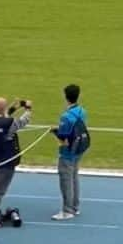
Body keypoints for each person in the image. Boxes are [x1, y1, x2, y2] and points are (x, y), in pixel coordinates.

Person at [0, 97, 32, 229]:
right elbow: (22, 122)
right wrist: (28, 109)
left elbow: (3, 121)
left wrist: (14, 108)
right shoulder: (8, 123)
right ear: (3, 109)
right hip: (6, 161)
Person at [51, 82, 88, 220]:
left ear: (65, 97)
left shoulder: (66, 116)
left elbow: (63, 138)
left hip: (67, 152)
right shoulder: (82, 111)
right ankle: (75, 206)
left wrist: (55, 132)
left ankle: (67, 210)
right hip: (79, 148)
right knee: (74, 177)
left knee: (66, 180)